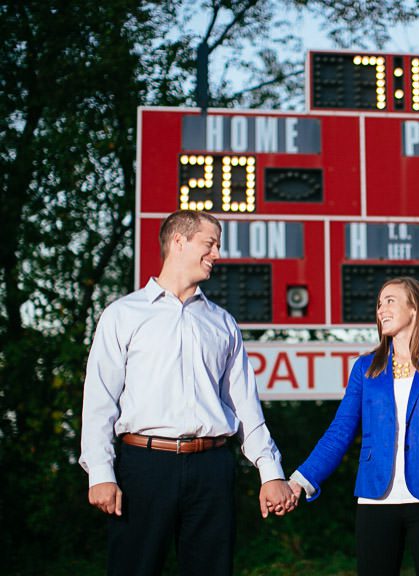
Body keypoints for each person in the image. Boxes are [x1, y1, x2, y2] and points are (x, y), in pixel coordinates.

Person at [79, 210, 297, 576]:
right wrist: (100, 472)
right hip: (143, 466)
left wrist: (270, 472)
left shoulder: (223, 322)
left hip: (212, 467)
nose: (217, 254)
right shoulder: (123, 315)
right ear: (179, 242)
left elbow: (244, 405)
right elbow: (100, 400)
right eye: (210, 244)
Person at [289, 276, 419, 576]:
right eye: (379, 304)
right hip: (374, 499)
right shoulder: (365, 369)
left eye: (390, 300)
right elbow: (340, 431)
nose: (381, 309)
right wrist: (300, 480)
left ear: (417, 307)